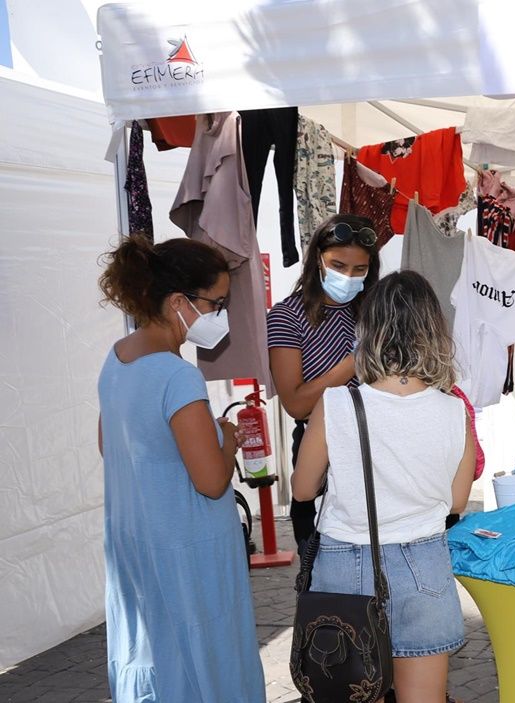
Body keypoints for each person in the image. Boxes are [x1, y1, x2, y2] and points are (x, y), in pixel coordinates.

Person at [292, 271, 475, 703]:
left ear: (368, 332)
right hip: (423, 562)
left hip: (344, 565)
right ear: (434, 331)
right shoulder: (453, 410)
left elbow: (302, 489)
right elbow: (457, 500)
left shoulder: (336, 403)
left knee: (349, 692)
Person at [96, 236, 265, 702]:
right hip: (186, 549)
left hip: (137, 541)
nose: (220, 314)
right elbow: (211, 482)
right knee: (205, 664)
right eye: (216, 303)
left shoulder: (118, 357)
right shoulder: (176, 375)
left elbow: (111, 446)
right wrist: (226, 441)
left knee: (154, 657)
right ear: (178, 302)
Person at [268, 214, 380, 555]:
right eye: (338, 265)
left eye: (359, 270)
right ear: (317, 257)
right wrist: (354, 362)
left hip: (376, 443)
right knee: (325, 573)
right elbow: (296, 403)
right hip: (321, 449)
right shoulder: (286, 316)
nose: (347, 276)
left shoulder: (371, 310)